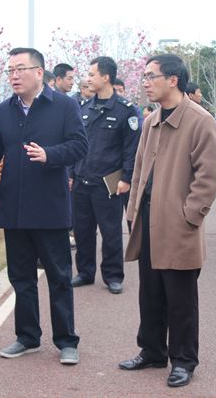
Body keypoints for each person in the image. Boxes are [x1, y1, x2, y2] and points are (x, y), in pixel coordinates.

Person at [0, 47, 87, 364]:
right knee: (21, 279)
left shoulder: (64, 106)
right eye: (9, 70)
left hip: (50, 208)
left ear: (39, 72)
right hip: (16, 208)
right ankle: (27, 337)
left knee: (59, 277)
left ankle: (66, 341)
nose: (14, 76)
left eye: (20, 69)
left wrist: (51, 155)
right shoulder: (5, 110)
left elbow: (79, 146)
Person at [120, 54, 216, 388]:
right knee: (150, 293)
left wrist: (189, 216)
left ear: (173, 79)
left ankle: (183, 360)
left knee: (180, 299)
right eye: (145, 77)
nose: (146, 82)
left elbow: (209, 176)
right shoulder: (151, 120)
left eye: (152, 76)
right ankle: (151, 350)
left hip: (178, 226)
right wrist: (133, 211)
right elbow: (138, 171)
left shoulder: (199, 120)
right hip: (149, 221)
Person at [71, 56, 141, 294]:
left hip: (108, 182)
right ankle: (84, 272)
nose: (87, 79)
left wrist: (126, 178)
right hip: (82, 179)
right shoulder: (84, 108)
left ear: (105, 77)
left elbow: (132, 149)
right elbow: (75, 143)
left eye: (91, 75)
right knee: (82, 230)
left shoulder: (126, 111)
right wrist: (71, 172)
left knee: (111, 232)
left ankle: (113, 275)